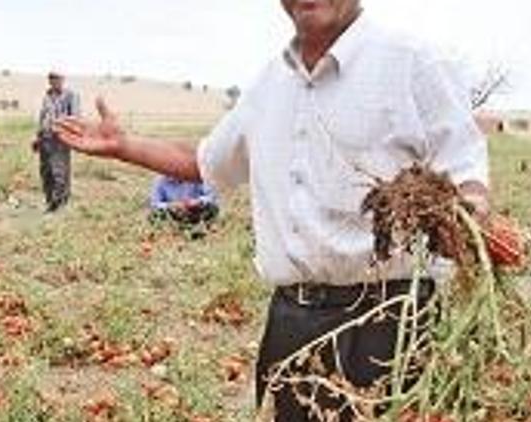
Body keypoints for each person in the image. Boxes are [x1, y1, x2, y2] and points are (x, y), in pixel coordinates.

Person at [53, 0, 493, 419]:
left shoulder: (414, 63)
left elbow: (466, 169)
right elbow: (206, 163)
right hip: (293, 323)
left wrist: (471, 211)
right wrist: (125, 146)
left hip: (393, 323)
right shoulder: (268, 85)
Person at [32, 71, 80, 213]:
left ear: (63, 79)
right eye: (51, 78)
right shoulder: (47, 95)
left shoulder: (71, 95)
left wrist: (60, 127)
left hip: (60, 139)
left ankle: (58, 206)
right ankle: (50, 203)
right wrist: (37, 136)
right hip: (44, 137)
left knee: (59, 172)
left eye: (57, 78)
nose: (53, 81)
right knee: (46, 172)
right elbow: (43, 116)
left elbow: (75, 118)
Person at [149, 175, 219, 226]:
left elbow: (211, 196)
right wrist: (172, 205)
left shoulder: (196, 175)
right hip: (173, 214)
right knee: (154, 215)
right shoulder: (160, 181)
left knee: (212, 208)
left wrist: (197, 201)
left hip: (195, 212)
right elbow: (154, 204)